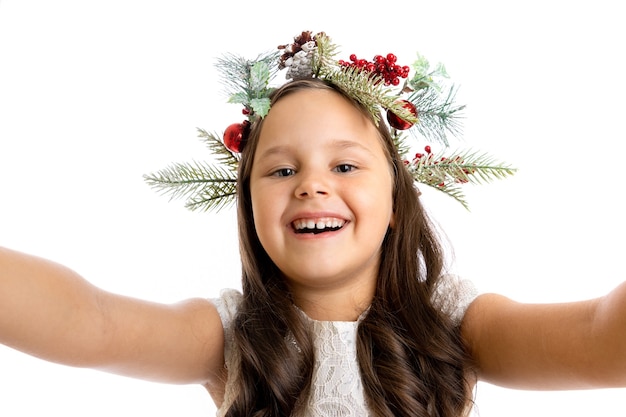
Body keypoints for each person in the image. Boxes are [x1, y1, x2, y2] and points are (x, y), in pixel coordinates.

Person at [1, 31, 625, 417]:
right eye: (279, 171)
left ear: (397, 201)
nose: (311, 184)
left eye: (346, 164)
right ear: (248, 206)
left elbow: (603, 338)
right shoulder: (229, 338)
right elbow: (92, 324)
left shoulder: (455, 325)